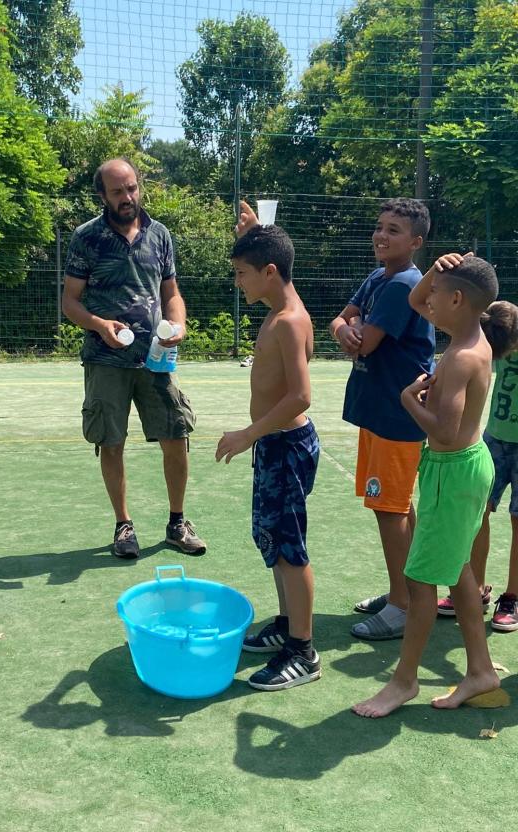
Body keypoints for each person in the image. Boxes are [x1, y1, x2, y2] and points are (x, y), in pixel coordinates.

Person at [353, 253, 518, 718]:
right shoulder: (468, 338)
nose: (429, 301)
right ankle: (480, 670)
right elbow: (415, 299)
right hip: (461, 469)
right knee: (458, 568)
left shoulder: (462, 357)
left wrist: (409, 400)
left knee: (420, 578)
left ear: (458, 300)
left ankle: (403, 682)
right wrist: (434, 273)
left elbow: (443, 432)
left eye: (439, 294)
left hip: (454, 470)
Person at [62, 157, 206, 559]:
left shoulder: (160, 235)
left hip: (157, 359)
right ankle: (123, 526)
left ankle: (177, 523)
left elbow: (171, 293)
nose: (127, 197)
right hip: (105, 360)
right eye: (117, 192)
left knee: (176, 435)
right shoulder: (86, 238)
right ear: (102, 195)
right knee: (111, 442)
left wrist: (178, 324)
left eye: (132, 188)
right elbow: (70, 302)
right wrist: (99, 325)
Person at [216, 220, 321, 691]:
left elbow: (300, 396)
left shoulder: (289, 321)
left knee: (290, 548)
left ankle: (303, 651)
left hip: (285, 446)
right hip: (276, 445)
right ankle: (286, 623)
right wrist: (255, 229)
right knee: (275, 541)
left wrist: (248, 435)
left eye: (242, 273)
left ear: (270, 271)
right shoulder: (280, 309)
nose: (238, 282)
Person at [329, 198, 436, 640]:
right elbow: (342, 320)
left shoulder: (403, 284)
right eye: (380, 227)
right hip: (379, 414)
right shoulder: (378, 276)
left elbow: (365, 342)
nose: (381, 236)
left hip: (397, 417)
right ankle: (405, 591)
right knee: (395, 506)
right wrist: (344, 328)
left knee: (389, 510)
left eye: (394, 230)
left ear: (416, 242)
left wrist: (350, 331)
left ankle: (403, 605)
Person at [437, 303, 518, 631]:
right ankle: (475, 589)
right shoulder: (501, 328)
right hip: (495, 439)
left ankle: (512, 597)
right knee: (477, 513)